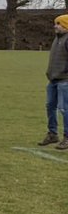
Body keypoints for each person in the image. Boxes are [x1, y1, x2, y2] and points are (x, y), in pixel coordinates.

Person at [40, 14, 68, 149]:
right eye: (56, 23)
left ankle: (67, 137)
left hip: (65, 81)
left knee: (65, 109)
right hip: (53, 80)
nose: (55, 26)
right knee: (50, 106)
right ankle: (52, 134)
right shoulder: (57, 39)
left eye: (59, 24)